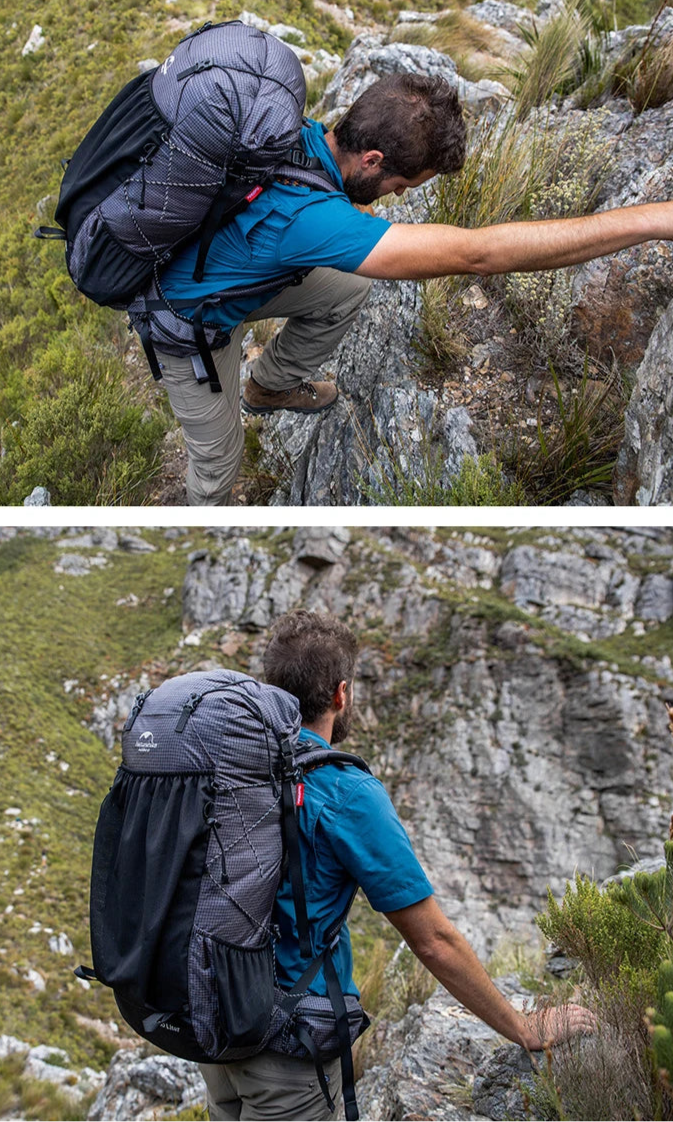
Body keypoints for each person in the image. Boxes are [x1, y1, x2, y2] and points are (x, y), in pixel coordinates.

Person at [155, 69, 673, 506]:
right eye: (399, 187)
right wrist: (650, 220)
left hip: (225, 268)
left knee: (346, 286)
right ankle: (206, 504)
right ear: (373, 159)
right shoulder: (313, 221)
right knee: (220, 462)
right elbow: (479, 254)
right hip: (191, 322)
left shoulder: (297, 133)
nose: (393, 199)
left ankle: (266, 386)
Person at [198, 610, 595, 1121]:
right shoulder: (346, 792)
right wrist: (523, 1026)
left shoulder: (229, 765)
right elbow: (433, 940)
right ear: (341, 694)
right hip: (288, 1051)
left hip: (216, 1029)